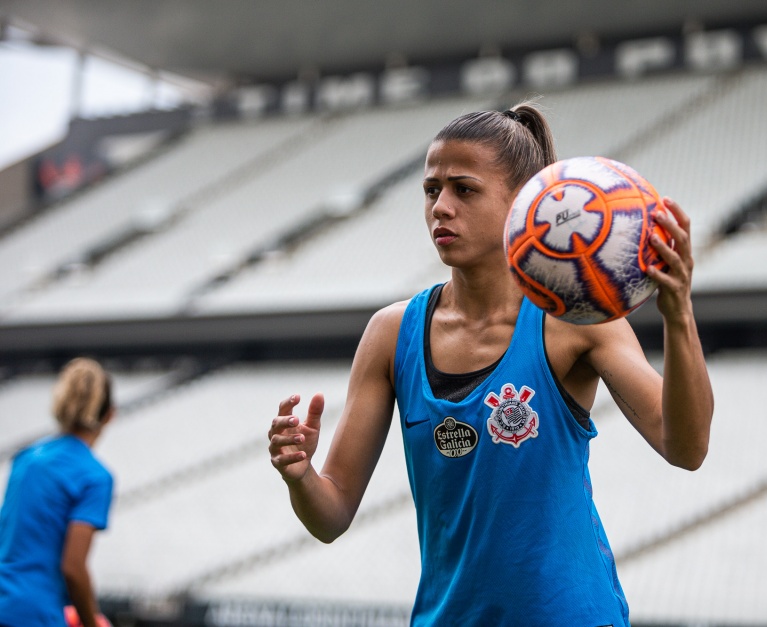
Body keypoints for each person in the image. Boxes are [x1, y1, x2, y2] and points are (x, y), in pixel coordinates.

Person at [268, 101, 714, 626]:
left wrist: (678, 315)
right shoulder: (392, 334)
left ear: (524, 202)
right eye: (431, 190)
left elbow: (685, 448)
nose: (440, 207)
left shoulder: (572, 321)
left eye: (464, 189)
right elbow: (331, 515)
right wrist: (300, 477)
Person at [0, 358, 116, 627]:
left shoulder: (25, 459)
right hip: (35, 615)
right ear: (110, 414)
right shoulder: (94, 476)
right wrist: (91, 622)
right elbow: (73, 569)